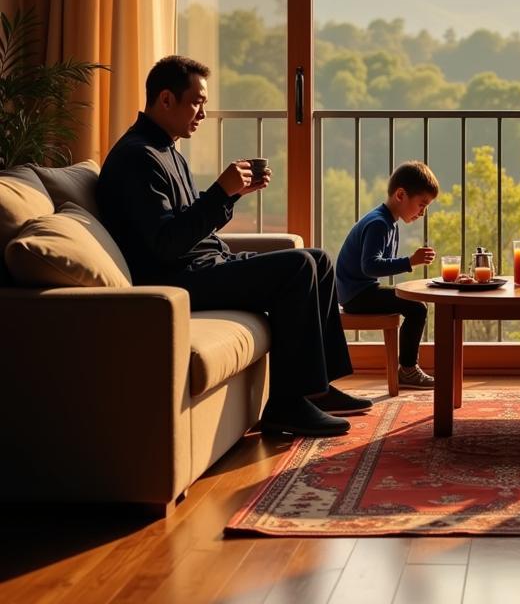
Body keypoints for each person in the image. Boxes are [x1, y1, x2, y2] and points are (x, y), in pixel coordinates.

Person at [97, 56, 372, 439]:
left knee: (318, 259)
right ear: (165, 99)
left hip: (204, 263)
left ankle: (317, 388)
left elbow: (188, 222)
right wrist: (220, 192)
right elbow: (164, 244)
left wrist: (232, 194)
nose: (203, 113)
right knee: (298, 268)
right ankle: (286, 405)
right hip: (176, 279)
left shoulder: (166, 149)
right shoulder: (137, 158)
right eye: (197, 102)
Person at [336, 161, 439, 388]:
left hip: (358, 292)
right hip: (357, 295)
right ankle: (409, 370)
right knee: (417, 307)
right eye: (421, 205)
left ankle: (408, 368)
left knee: (414, 302)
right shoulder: (379, 224)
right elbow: (370, 267)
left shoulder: (387, 221)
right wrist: (410, 262)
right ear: (401, 195)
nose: (422, 213)